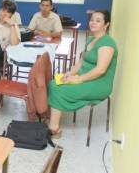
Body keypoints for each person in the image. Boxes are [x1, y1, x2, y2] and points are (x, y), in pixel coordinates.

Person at [47, 10, 118, 138]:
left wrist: (79, 79)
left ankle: (54, 129)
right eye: (92, 20)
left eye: (98, 20)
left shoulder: (107, 43)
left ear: (106, 24)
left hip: (99, 83)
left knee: (59, 90)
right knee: (53, 83)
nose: (93, 23)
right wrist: (69, 73)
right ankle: (55, 116)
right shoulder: (91, 39)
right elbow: (80, 62)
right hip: (84, 76)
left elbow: (100, 70)